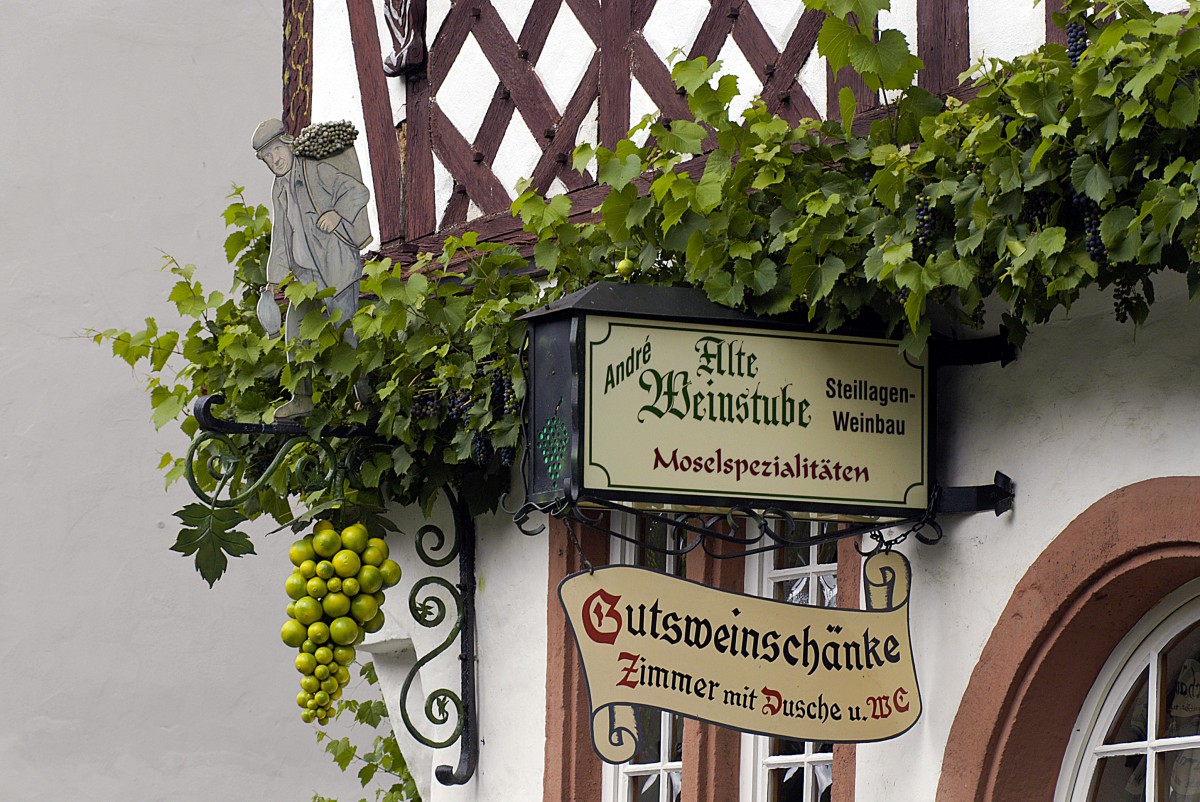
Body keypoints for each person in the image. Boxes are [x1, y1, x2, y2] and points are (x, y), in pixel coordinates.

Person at [251, 117, 372, 420]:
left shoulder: (316, 171)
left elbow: (358, 192)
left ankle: (366, 398)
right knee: (295, 333)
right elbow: (281, 237)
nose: (275, 159)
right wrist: (271, 284)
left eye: (277, 150)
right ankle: (302, 397)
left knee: (348, 335)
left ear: (289, 145)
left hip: (336, 269)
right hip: (307, 277)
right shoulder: (279, 189)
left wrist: (336, 212)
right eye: (268, 156)